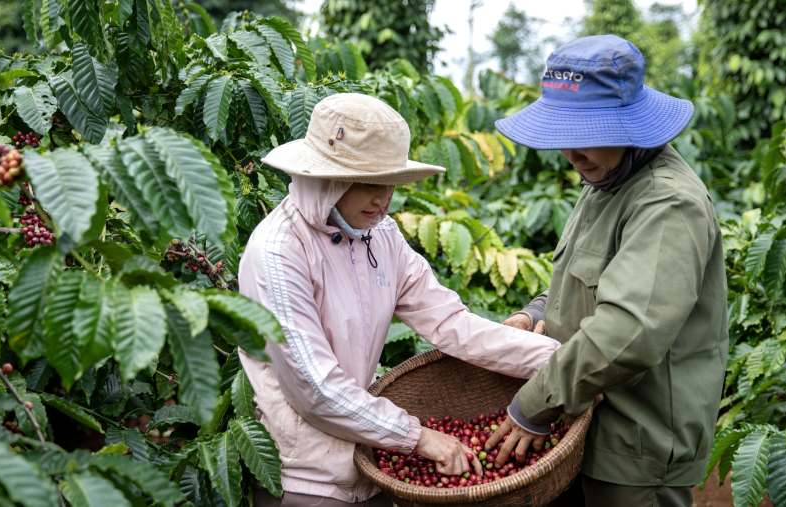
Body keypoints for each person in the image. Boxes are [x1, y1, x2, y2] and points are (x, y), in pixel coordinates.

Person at [238, 92, 561, 506]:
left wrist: (561, 364)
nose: (384, 199)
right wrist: (419, 437)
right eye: (371, 184)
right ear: (329, 178)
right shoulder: (281, 252)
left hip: (368, 462)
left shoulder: (379, 234)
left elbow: (451, 324)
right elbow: (315, 389)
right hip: (306, 479)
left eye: (391, 183)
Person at [485, 35, 729, 507]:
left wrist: (532, 406)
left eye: (585, 135)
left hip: (638, 443)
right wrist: (535, 313)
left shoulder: (667, 201)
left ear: (628, 127)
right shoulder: (604, 178)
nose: (571, 154)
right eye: (564, 138)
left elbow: (630, 328)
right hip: (589, 425)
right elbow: (583, 280)